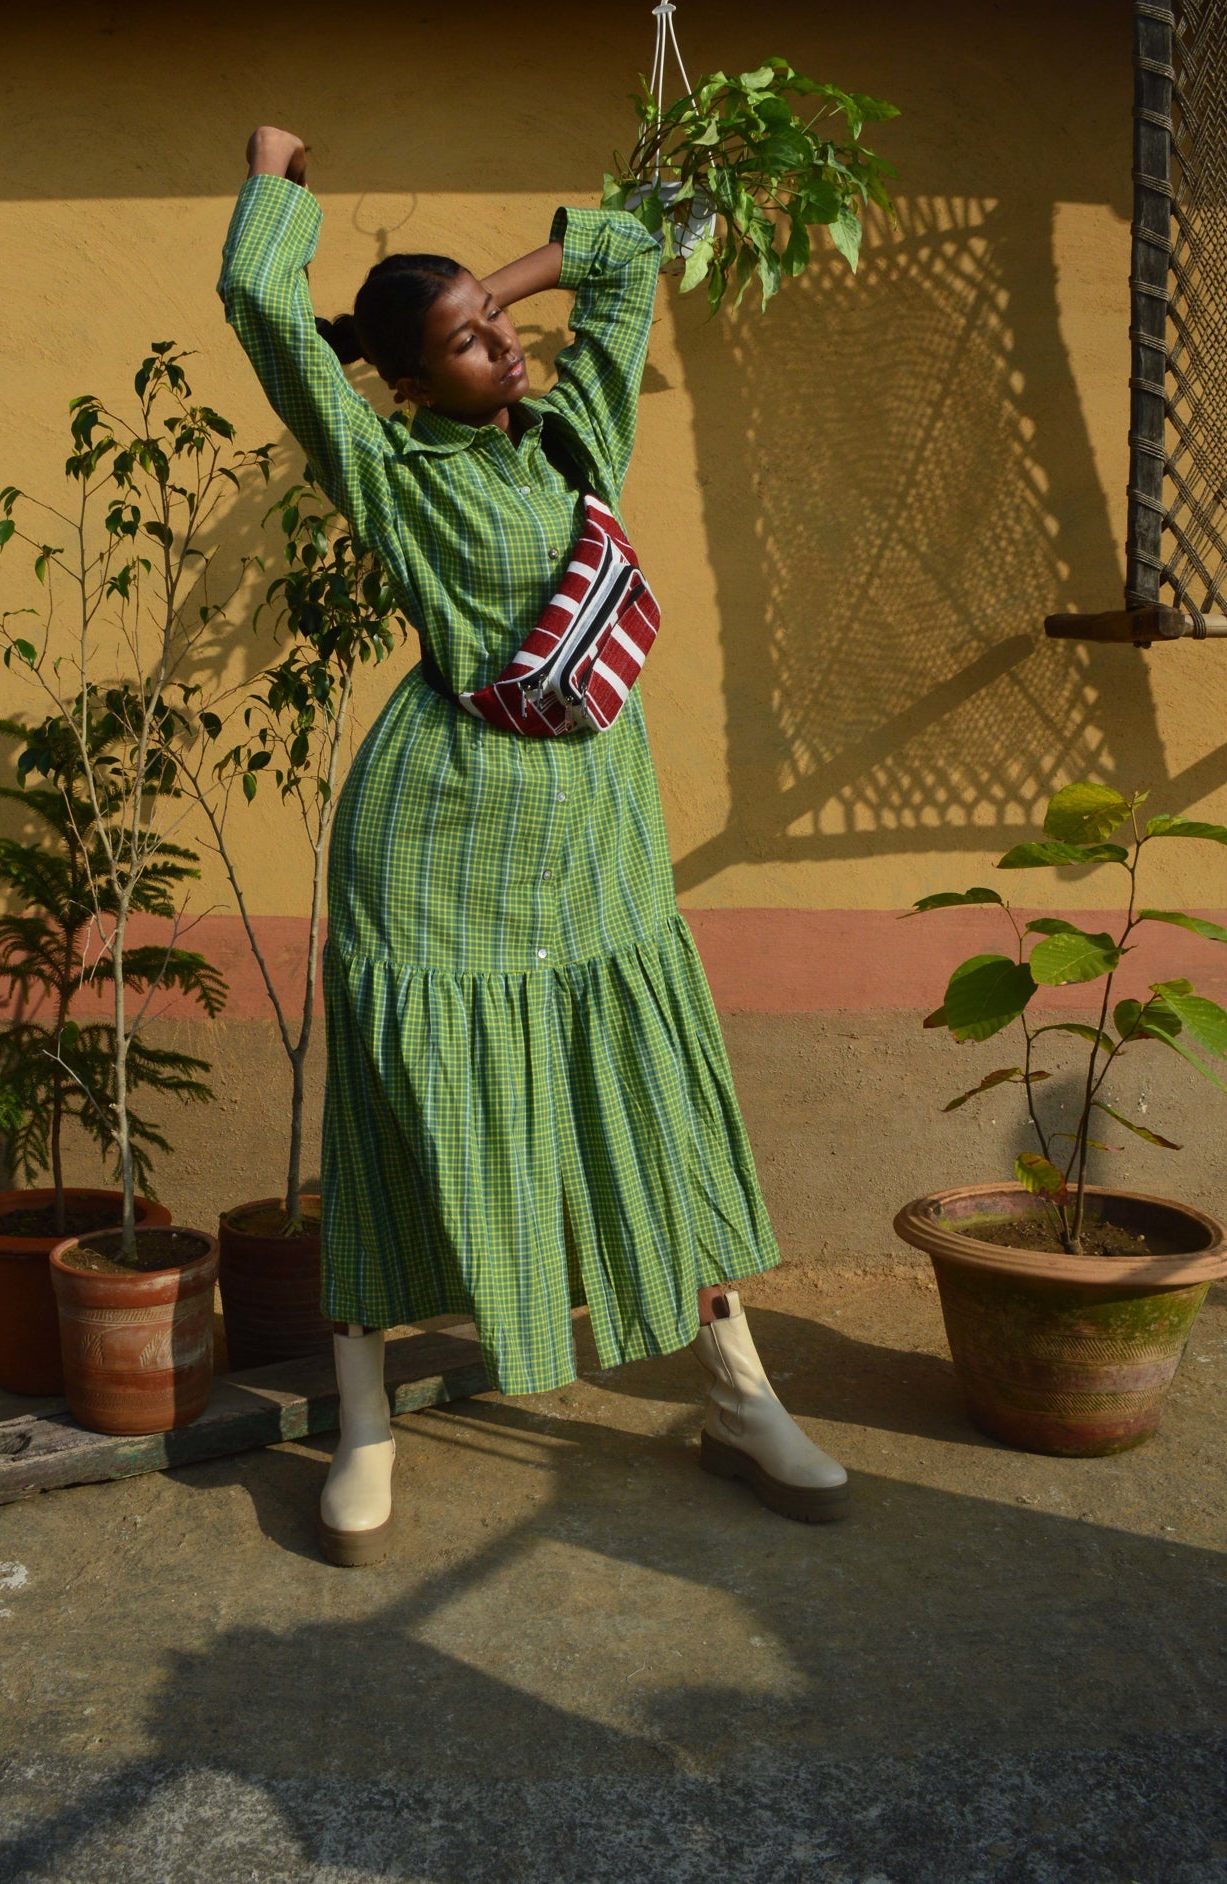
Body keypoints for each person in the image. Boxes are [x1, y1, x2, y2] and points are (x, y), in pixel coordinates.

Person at [218, 125, 849, 1565]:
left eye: (500, 327)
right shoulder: (388, 470)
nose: (504, 347)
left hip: (600, 841)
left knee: (648, 1103)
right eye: (464, 345)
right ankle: (365, 1422)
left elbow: (633, 251)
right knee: (402, 1117)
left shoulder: (578, 434)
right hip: (442, 842)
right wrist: (275, 182)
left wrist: (490, 281)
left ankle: (740, 1397)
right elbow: (265, 314)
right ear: (401, 382)